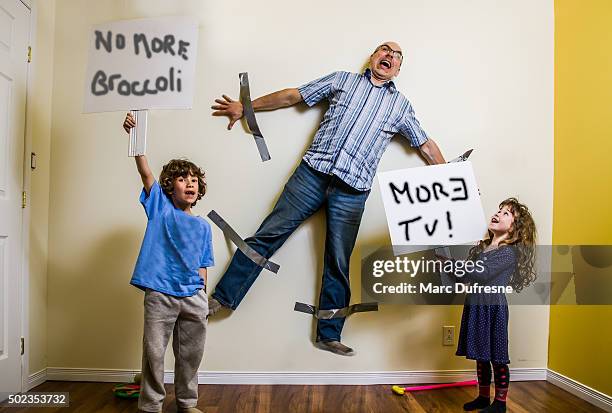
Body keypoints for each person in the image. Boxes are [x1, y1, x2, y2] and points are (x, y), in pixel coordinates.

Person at [210, 42, 446, 356]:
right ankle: (221, 299)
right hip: (311, 175)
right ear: (373, 57)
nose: (389, 55)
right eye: (384, 50)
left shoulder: (401, 106)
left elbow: (426, 145)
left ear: (398, 69)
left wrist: (453, 181)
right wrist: (246, 107)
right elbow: (293, 95)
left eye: (397, 55)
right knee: (267, 235)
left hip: (353, 191)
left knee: (338, 261)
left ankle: (328, 334)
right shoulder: (341, 80)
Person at [123, 113, 214, 413]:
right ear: (169, 186)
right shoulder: (160, 208)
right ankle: (151, 405)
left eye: (194, 180)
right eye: (181, 178)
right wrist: (135, 138)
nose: (189, 183)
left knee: (190, 355)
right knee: (154, 354)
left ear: (199, 189)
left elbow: (203, 265)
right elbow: (145, 174)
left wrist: (202, 296)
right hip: (160, 296)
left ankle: (187, 403)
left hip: (192, 298)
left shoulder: (203, 226)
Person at [440, 198, 536, 412]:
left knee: (497, 356)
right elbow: (465, 278)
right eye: (499, 210)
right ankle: (483, 397)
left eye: (506, 214)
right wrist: (448, 266)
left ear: (515, 229)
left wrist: (456, 265)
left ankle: (500, 403)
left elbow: (482, 274)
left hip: (493, 308)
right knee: (481, 355)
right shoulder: (481, 248)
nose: (498, 213)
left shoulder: (508, 253)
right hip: (475, 305)